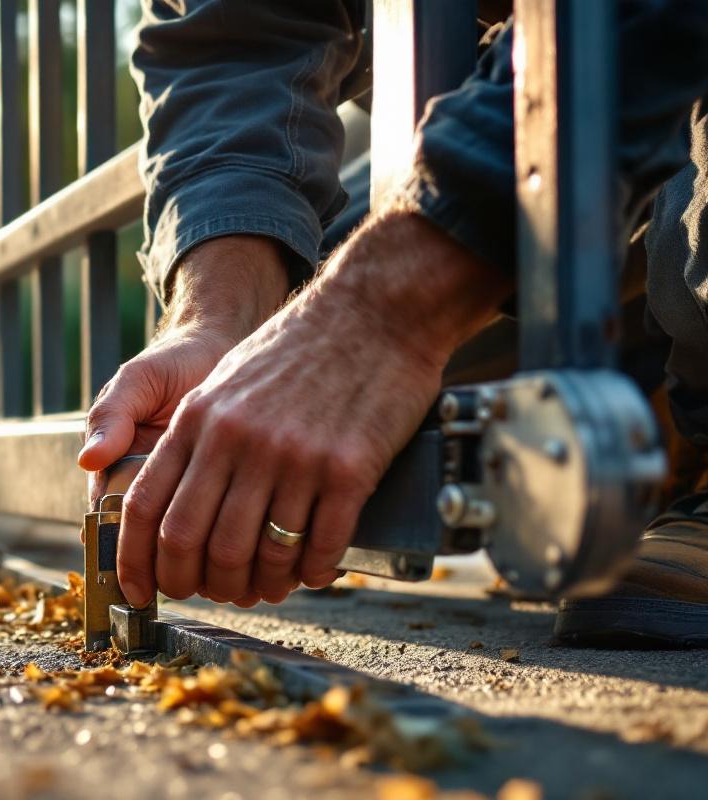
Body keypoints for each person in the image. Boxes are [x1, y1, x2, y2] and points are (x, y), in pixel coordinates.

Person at [78, 0, 708, 647]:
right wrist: (220, 320)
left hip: (647, 101)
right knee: (308, 338)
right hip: (539, 124)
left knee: (339, 338)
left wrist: (377, 318)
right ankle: (664, 388)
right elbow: (235, 34)